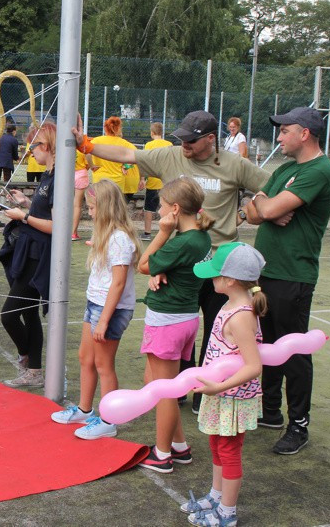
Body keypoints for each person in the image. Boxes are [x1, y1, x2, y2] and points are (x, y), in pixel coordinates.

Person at [75, 110, 271, 414]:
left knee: (219, 331)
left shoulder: (234, 163)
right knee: (183, 327)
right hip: (180, 259)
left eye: (191, 140)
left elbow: (269, 184)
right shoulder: (170, 156)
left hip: (220, 262)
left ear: (210, 139)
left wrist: (250, 210)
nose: (184, 145)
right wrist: (87, 146)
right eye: (182, 138)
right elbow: (128, 152)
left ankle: (209, 392)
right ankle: (179, 390)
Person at [244, 106, 330, 455]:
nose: (279, 137)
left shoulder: (321, 170)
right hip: (265, 272)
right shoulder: (285, 169)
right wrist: (261, 202)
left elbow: (264, 211)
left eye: (285, 131)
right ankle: (270, 412)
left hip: (293, 275)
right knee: (266, 344)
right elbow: (255, 213)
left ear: (305, 134)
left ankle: (299, 424)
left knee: (294, 350)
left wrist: (265, 207)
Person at [182, 242, 267, 527]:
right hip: (220, 391)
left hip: (231, 395)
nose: (212, 278)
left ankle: (227, 513)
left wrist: (217, 388)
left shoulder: (241, 316)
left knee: (229, 451)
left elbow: (254, 366)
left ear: (229, 280)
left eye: (216, 274)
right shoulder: (229, 304)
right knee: (217, 445)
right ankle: (216, 496)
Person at [135, 177, 214, 473]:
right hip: (184, 319)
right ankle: (179, 446)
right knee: (154, 383)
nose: (159, 210)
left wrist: (162, 233)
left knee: (164, 390)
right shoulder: (202, 237)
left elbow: (143, 263)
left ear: (176, 209)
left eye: (163, 206)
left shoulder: (183, 240)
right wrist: (160, 271)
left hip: (168, 320)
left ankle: (162, 453)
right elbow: (159, 267)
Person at [51, 180, 139, 439]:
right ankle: (85, 410)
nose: (89, 212)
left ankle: (109, 421)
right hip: (96, 304)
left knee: (103, 364)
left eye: (92, 207)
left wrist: (104, 321)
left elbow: (119, 282)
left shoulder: (120, 238)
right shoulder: (108, 235)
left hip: (110, 309)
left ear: (106, 207)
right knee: (85, 358)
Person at [0, 122, 57, 387]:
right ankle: (34, 371)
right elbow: (43, 212)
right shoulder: (48, 173)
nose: (28, 151)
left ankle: (27, 359)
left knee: (9, 314)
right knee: (28, 313)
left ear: (45, 146)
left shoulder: (58, 178)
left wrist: (24, 215)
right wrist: (26, 203)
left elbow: (57, 226)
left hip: (40, 255)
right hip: (30, 249)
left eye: (32, 146)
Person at [86, 116, 138, 194]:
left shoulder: (96, 140)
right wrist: (126, 167)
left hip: (99, 178)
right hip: (117, 180)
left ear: (105, 128)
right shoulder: (124, 143)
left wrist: (91, 166)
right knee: (115, 204)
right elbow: (137, 157)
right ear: (119, 129)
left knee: (100, 203)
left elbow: (87, 152)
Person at [140, 122, 172, 241]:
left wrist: (142, 179)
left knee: (149, 208)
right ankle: (166, 232)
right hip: (165, 181)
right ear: (162, 132)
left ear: (152, 133)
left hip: (153, 181)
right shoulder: (169, 144)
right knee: (167, 207)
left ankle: (147, 233)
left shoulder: (149, 145)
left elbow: (144, 162)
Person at [71, 150, 90, 241]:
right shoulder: (82, 148)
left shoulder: (61, 146)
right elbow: (88, 164)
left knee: (63, 203)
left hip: (66, 174)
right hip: (80, 173)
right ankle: (73, 233)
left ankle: (61, 230)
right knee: (77, 205)